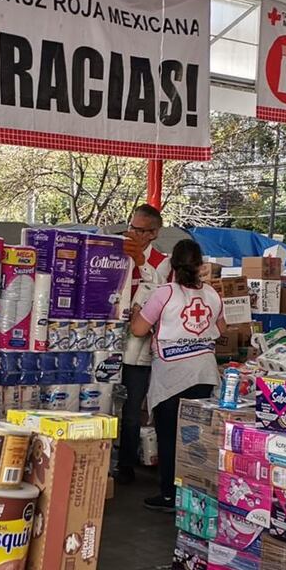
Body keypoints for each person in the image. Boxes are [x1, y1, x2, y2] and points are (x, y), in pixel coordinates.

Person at [130, 239, 223, 512]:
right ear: (200, 264)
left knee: (170, 436)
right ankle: (196, 492)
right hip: (204, 373)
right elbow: (222, 328)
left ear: (173, 264)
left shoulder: (164, 293)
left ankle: (170, 495)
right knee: (196, 436)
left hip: (172, 376)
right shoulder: (212, 294)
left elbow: (138, 329)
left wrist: (137, 313)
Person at [116, 203, 171, 485]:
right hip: (108, 338)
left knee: (131, 409)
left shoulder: (162, 261)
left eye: (139, 230)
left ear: (153, 233)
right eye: (131, 227)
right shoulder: (116, 250)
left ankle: (126, 466)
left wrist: (140, 261)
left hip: (138, 347)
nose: (132, 234)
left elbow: (158, 291)